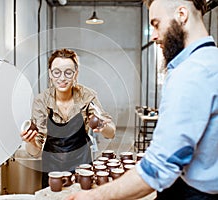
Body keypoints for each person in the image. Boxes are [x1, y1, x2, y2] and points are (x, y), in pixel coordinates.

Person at [67, 0, 218, 199]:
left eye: (156, 24)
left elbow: (159, 168)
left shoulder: (192, 71)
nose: (154, 35)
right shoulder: (210, 60)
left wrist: (92, 196)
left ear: (182, 15)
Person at [20, 48, 116, 188]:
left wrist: (103, 126)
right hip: (52, 168)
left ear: (75, 74)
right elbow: (34, 152)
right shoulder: (41, 101)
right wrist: (31, 141)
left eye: (68, 72)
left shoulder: (87, 96)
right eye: (56, 72)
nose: (62, 78)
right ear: (50, 74)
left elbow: (111, 133)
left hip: (82, 166)